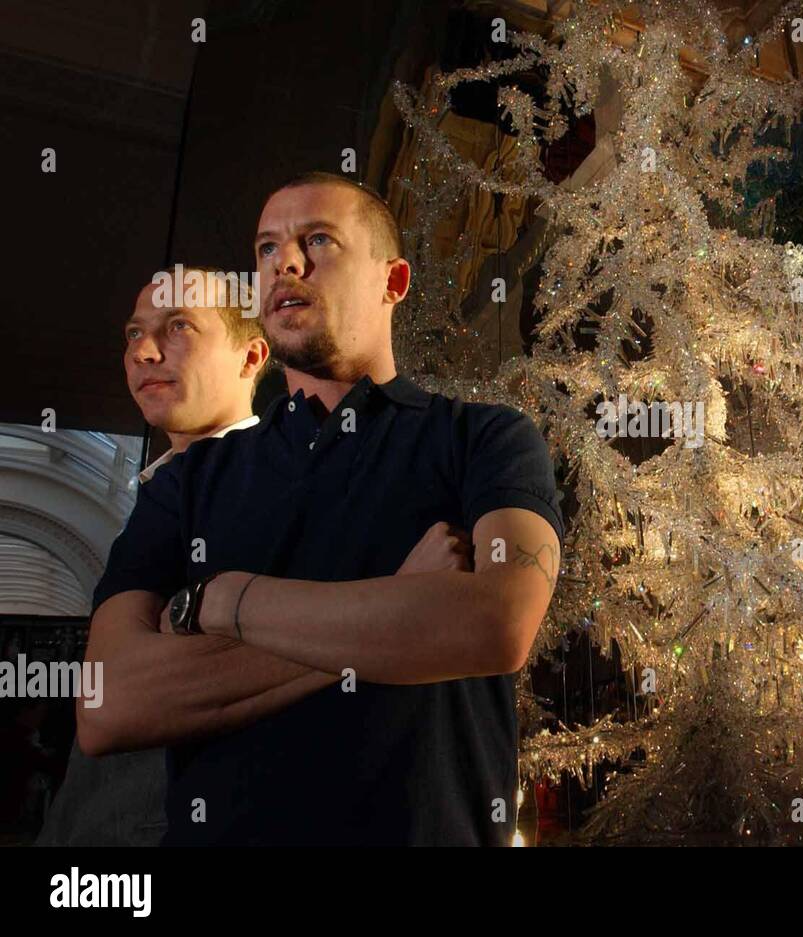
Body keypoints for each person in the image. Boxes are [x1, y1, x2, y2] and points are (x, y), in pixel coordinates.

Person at [78, 173, 563, 845]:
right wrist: (403, 606)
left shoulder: (486, 439)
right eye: (267, 248)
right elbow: (109, 704)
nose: (286, 263)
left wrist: (227, 603)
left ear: (393, 282)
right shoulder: (187, 483)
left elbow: (498, 622)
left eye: (318, 241)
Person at [38, 267, 269, 845]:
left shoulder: (273, 489)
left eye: (179, 326)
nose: (142, 350)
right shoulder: (163, 490)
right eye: (133, 333)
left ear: (251, 357)